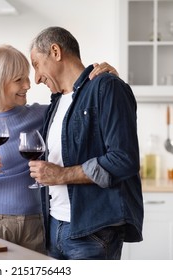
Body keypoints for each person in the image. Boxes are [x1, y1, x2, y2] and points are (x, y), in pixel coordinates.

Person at [0, 44, 117, 254]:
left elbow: (81, 106)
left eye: (27, 77)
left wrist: (108, 79)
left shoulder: (40, 114)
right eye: (19, 79)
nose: (29, 85)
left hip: (36, 225)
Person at [28, 26, 144, 260]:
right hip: (54, 228)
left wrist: (61, 175)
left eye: (36, 65)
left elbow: (124, 159)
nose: (36, 78)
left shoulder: (107, 87)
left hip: (93, 231)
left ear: (55, 52)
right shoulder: (56, 102)